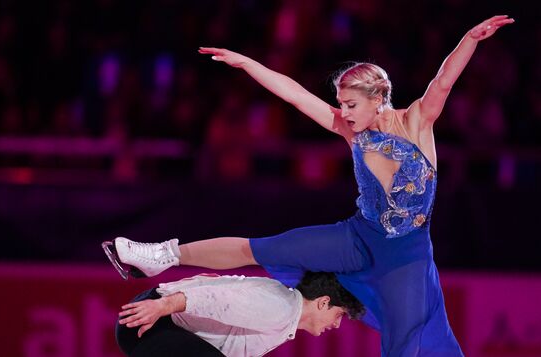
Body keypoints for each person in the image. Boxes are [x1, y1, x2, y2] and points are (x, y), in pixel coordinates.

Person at [103, 15, 513, 356]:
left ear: (378, 99)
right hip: (356, 237)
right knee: (261, 247)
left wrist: (470, 40)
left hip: (405, 255)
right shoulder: (354, 132)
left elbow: (443, 81)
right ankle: (161, 255)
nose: (344, 113)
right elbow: (297, 96)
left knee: (407, 344)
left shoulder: (418, 122)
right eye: (341, 103)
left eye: (351, 105)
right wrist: (249, 65)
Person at [115, 271, 364, 357]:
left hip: (158, 322)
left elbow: (224, 285)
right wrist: (162, 306)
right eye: (340, 315)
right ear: (323, 302)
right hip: (149, 322)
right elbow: (218, 300)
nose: (337, 325)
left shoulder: (283, 305)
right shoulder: (280, 308)